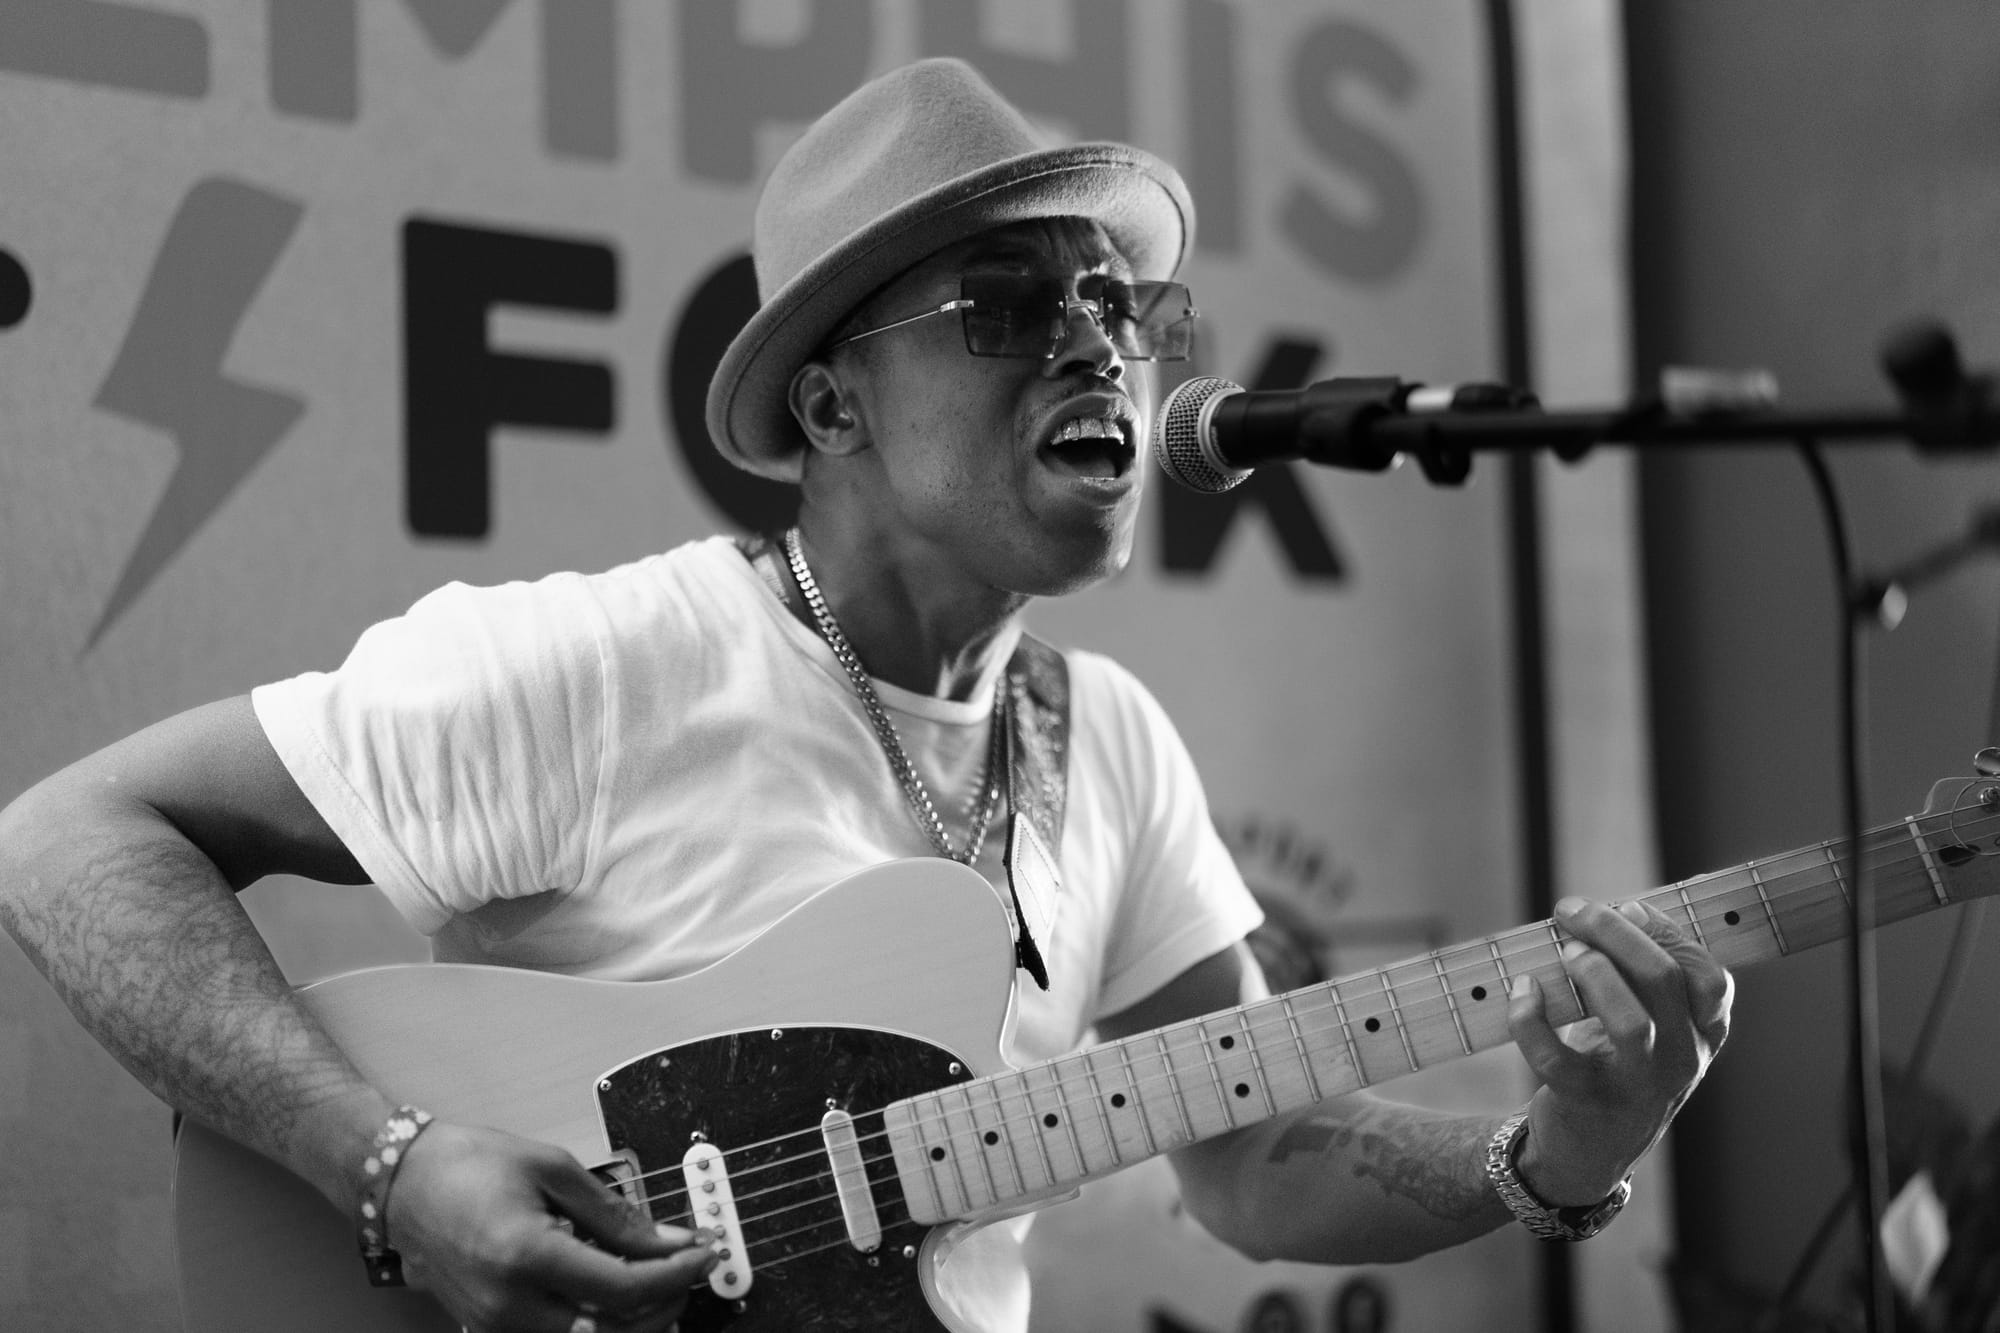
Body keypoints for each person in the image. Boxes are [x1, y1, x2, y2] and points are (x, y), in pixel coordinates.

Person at [0, 58, 1731, 1333]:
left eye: (1119, 304)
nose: (1097, 343)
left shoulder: (1110, 745)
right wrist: (381, 1164)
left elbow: (1257, 1156)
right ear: (831, 411)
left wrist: (1551, 1154)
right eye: (1008, 307)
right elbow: (69, 836)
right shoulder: (615, 665)